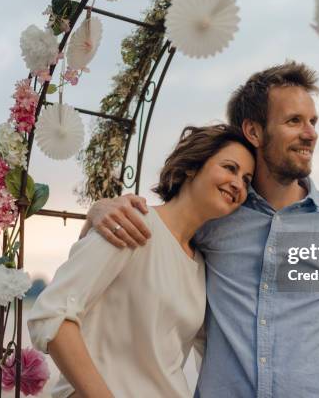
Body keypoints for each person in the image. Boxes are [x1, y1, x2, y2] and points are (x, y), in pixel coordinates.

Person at [85, 62, 319, 397]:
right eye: (294, 121)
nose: (310, 133)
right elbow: (160, 228)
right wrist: (99, 208)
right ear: (254, 131)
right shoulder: (215, 214)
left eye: (312, 121)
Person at [27, 124, 255, 398]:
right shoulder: (131, 222)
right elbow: (52, 314)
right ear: (192, 166)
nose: (238, 184)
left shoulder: (202, 265)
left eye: (247, 180)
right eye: (230, 168)